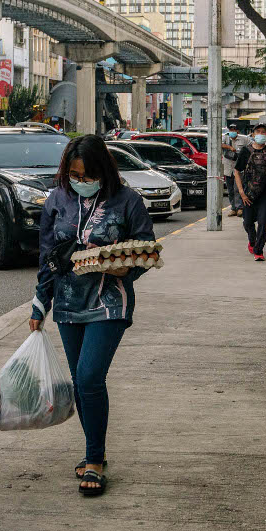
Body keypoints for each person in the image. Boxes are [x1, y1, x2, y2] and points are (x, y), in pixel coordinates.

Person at [29, 135, 155, 497]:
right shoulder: (56, 199)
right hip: (68, 303)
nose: (81, 180)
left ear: (103, 170)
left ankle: (95, 459)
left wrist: (124, 271)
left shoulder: (127, 201)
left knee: (88, 377)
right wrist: (40, 303)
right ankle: (94, 449)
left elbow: (146, 248)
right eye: (74, 173)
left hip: (109, 303)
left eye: (87, 174)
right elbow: (47, 256)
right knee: (81, 383)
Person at [234, 123, 266, 261]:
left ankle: (259, 250)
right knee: (248, 222)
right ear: (253, 134)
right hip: (248, 194)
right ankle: (252, 239)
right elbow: (237, 171)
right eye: (258, 131)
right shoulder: (245, 151)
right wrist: (242, 192)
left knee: (264, 222)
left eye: (263, 132)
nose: (261, 134)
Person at [222, 123, 248, 216]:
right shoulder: (225, 138)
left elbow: (251, 146)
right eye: (231, 130)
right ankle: (233, 208)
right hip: (228, 168)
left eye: (234, 130)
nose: (232, 131)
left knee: (238, 188)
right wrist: (229, 147)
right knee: (230, 190)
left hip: (239, 168)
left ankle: (240, 208)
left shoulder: (244, 139)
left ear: (238, 131)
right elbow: (218, 144)